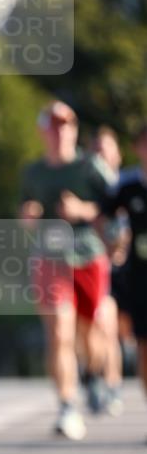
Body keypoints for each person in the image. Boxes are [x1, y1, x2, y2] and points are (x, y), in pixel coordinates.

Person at [19, 101, 109, 440]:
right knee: (59, 332)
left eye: (66, 125)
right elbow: (24, 213)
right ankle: (67, 406)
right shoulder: (33, 172)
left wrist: (82, 209)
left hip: (88, 256)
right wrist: (27, 215)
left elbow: (113, 208)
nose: (60, 132)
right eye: (53, 126)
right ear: (44, 132)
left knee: (91, 333)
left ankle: (95, 374)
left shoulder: (91, 167)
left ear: (74, 129)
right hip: (49, 257)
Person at [104, 123, 147, 408]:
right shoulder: (128, 186)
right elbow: (104, 218)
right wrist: (113, 244)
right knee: (144, 345)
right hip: (140, 277)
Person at [89, 126, 126, 416]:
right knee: (103, 325)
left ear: (117, 153)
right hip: (99, 264)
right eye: (96, 149)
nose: (101, 154)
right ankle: (103, 381)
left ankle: (109, 382)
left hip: (129, 267)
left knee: (115, 330)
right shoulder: (90, 187)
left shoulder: (125, 184)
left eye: (106, 148)